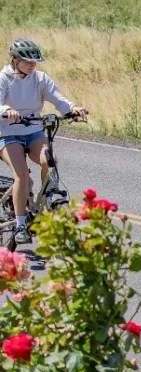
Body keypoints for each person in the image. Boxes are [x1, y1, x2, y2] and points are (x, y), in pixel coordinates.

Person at [0, 38, 87, 244]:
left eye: (35, 62)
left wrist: (72, 109)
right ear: (15, 60)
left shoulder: (40, 79)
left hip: (33, 132)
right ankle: (21, 224)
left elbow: (58, 99)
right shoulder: (3, 78)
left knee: (50, 160)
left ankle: (45, 201)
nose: (32, 66)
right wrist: (6, 111)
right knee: (21, 174)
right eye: (28, 62)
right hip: (7, 134)